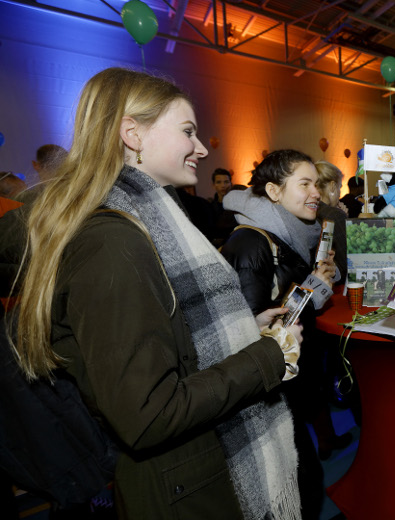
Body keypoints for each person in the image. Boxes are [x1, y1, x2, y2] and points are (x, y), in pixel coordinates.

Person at [2, 68, 303, 519]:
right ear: (132, 134)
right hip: (182, 488)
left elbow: (154, 331)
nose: (201, 148)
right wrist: (266, 358)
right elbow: (149, 414)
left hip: (192, 471)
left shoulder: (148, 221)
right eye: (187, 131)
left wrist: (243, 329)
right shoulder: (113, 240)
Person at [220, 150, 346, 519]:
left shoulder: (292, 233)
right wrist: (314, 288)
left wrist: (322, 276)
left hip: (288, 380)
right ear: (274, 192)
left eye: (317, 184)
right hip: (265, 392)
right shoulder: (252, 243)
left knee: (304, 480)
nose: (316, 194)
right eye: (304, 184)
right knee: (299, 484)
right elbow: (250, 330)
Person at [315, 160, 348, 280]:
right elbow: (347, 264)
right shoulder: (335, 216)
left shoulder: (310, 210)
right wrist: (343, 218)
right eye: (340, 187)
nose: (339, 194)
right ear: (333, 186)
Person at [209, 168, 238, 246]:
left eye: (226, 182)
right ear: (214, 185)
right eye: (219, 182)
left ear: (230, 183)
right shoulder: (209, 207)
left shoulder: (237, 205)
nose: (223, 186)